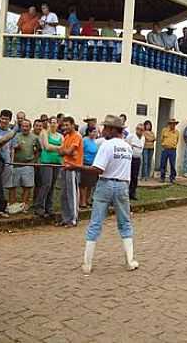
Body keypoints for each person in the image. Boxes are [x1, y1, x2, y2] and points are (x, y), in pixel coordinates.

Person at [72, 115, 138, 275]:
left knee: (95, 223)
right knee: (125, 223)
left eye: (106, 128)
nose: (103, 130)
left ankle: (87, 264)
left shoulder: (107, 145)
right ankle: (130, 261)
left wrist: (77, 167)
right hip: (122, 185)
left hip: (105, 184)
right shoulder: (127, 147)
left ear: (113, 130)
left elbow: (98, 169)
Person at [33, 117, 62, 218]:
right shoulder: (44, 133)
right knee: (46, 184)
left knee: (52, 185)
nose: (53, 124)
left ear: (58, 124)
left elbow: (62, 148)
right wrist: (59, 148)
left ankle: (49, 207)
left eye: (55, 122)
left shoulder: (60, 136)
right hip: (46, 162)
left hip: (57, 162)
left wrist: (55, 148)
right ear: (48, 124)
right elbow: (46, 147)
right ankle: (39, 206)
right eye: (51, 122)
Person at [57, 116, 83, 227]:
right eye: (64, 125)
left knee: (72, 193)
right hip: (65, 166)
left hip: (73, 167)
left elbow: (69, 151)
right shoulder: (66, 136)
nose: (65, 127)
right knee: (64, 194)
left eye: (67, 125)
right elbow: (61, 151)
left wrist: (66, 152)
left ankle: (73, 218)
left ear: (73, 125)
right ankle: (65, 218)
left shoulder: (77, 136)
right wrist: (66, 152)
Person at [13, 119, 40, 211]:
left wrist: (35, 160)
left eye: (27, 126)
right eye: (23, 126)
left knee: (27, 186)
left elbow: (39, 150)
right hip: (16, 164)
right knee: (13, 186)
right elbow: (10, 149)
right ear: (20, 127)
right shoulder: (15, 136)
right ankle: (14, 205)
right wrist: (16, 148)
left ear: (30, 127)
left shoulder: (34, 138)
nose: (25, 128)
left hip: (28, 164)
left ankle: (24, 205)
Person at [80, 127, 99, 209]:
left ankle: (87, 200)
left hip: (92, 164)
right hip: (85, 164)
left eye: (96, 132)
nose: (95, 134)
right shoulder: (84, 140)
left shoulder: (95, 142)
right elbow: (81, 151)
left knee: (90, 184)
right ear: (89, 132)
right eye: (93, 132)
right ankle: (82, 201)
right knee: (84, 184)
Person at [126, 123, 145, 200]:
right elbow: (126, 145)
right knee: (128, 176)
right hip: (130, 158)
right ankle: (126, 193)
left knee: (135, 176)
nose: (140, 131)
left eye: (142, 130)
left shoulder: (143, 138)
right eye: (138, 129)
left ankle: (132, 193)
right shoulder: (131, 136)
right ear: (136, 129)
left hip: (138, 158)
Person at [160, 119, 180, 183]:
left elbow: (177, 140)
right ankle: (162, 177)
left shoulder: (177, 132)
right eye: (172, 123)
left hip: (172, 150)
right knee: (163, 163)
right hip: (165, 149)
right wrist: (164, 145)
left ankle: (172, 177)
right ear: (169, 124)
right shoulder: (164, 130)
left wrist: (173, 145)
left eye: (174, 124)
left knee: (172, 164)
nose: (173, 125)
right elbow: (161, 139)